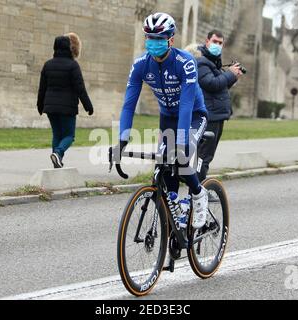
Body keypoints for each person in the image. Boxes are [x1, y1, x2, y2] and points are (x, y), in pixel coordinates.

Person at [114, 13, 209, 229]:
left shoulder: (185, 63)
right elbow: (129, 105)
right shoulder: (140, 65)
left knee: (182, 158)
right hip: (167, 118)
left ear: (171, 40)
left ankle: (198, 193)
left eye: (159, 38)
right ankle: (176, 206)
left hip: (194, 115)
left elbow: (186, 106)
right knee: (164, 164)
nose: (153, 43)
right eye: (149, 38)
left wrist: (183, 141)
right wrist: (121, 140)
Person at [37, 34, 94, 168]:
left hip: (50, 107)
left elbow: (42, 88)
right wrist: (88, 106)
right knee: (69, 135)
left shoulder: (47, 65)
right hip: (67, 107)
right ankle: (58, 153)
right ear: (69, 48)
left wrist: (40, 105)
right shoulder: (73, 65)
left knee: (57, 134)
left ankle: (56, 161)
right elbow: (80, 88)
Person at [194, 30, 243, 182]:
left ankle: (198, 188)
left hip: (216, 115)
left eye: (220, 43)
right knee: (203, 156)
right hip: (209, 116)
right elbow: (212, 84)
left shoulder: (213, 62)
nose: (217, 45)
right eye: (215, 42)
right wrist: (229, 74)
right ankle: (198, 191)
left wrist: (232, 77)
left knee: (205, 156)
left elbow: (219, 89)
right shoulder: (202, 62)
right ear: (207, 41)